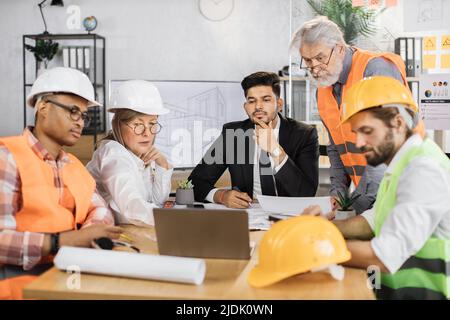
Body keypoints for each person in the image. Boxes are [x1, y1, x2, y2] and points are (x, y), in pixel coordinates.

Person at [304, 76, 450, 300]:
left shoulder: (423, 169)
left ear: (398, 123)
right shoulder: (402, 163)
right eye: (356, 133)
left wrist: (313, 247)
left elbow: (384, 256)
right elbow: (371, 222)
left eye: (367, 131)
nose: (359, 143)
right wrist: (323, 227)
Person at [0, 67, 121, 300]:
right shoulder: (8, 157)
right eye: (73, 111)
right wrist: (62, 241)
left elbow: (98, 208)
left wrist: (90, 234)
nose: (80, 122)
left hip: (67, 278)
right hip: (18, 286)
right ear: (43, 107)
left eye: (84, 115)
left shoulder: (74, 165)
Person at [289, 16, 415, 214]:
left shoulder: (375, 69)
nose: (314, 68)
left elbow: (386, 144)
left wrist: (352, 210)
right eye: (307, 60)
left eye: (320, 58)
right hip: (373, 201)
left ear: (339, 48)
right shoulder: (323, 90)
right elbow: (336, 148)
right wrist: (338, 195)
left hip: (405, 195)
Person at [189, 71, 319, 209]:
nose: (258, 106)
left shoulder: (304, 134)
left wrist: (275, 150)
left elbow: (306, 193)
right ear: (245, 107)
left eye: (266, 99)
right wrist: (221, 196)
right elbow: (194, 183)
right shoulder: (233, 134)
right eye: (252, 101)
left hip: (290, 215)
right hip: (249, 213)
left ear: (279, 104)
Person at [87, 80, 173, 225]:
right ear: (118, 125)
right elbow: (131, 208)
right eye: (138, 125)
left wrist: (162, 164)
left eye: (152, 124)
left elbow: (155, 201)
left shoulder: (136, 155)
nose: (147, 133)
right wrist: (175, 220)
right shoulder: (113, 153)